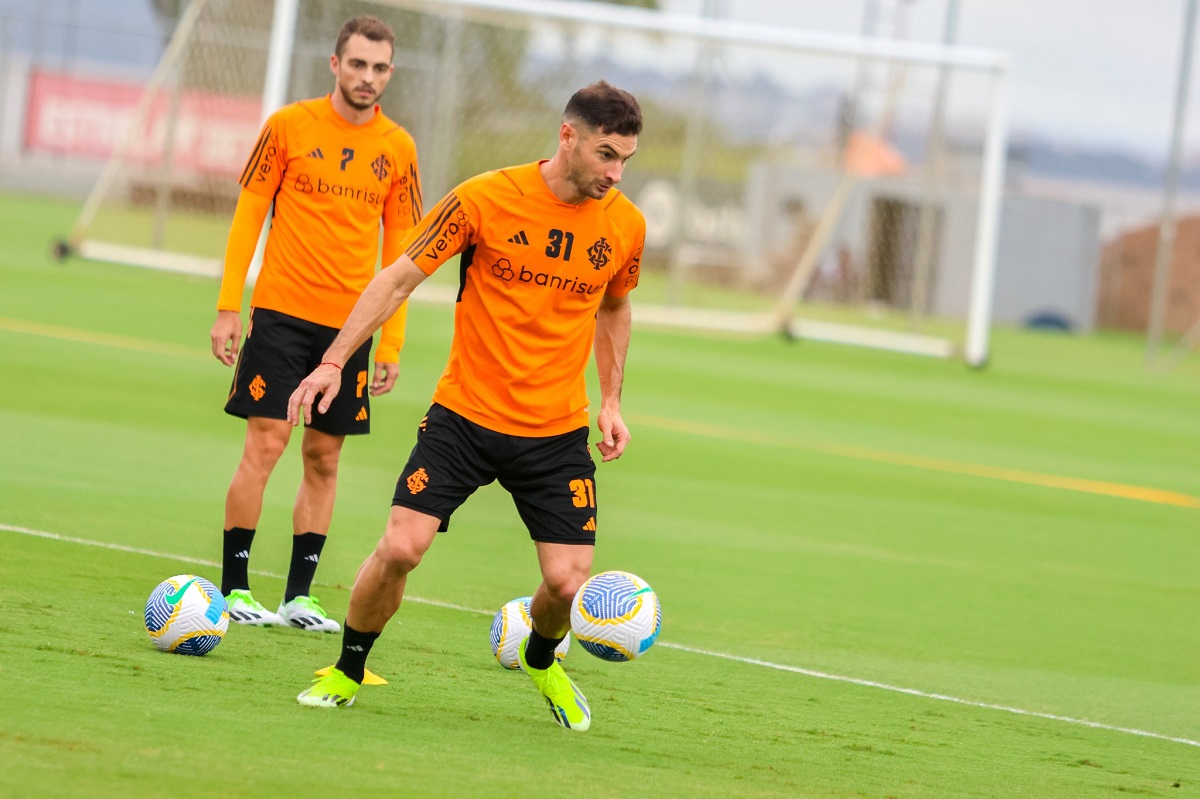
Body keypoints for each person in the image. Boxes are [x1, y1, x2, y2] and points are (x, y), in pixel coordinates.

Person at [287, 81, 645, 731]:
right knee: (400, 547)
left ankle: (540, 659)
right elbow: (397, 276)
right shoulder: (485, 198)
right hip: (464, 417)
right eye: (606, 154)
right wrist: (334, 360)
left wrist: (612, 400)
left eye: (625, 159)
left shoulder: (625, 223)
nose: (615, 173)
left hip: (555, 431)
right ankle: (347, 665)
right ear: (568, 137)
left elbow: (616, 304)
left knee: (568, 583)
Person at [209, 16, 422, 632]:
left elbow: (402, 252)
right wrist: (229, 306)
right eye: (357, 64)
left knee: (324, 458)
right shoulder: (287, 127)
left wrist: (393, 339)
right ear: (334, 64)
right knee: (266, 444)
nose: (368, 78)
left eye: (380, 68)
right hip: (279, 315)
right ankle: (236, 590)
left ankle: (299, 597)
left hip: (350, 331)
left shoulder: (399, 148)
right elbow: (249, 214)